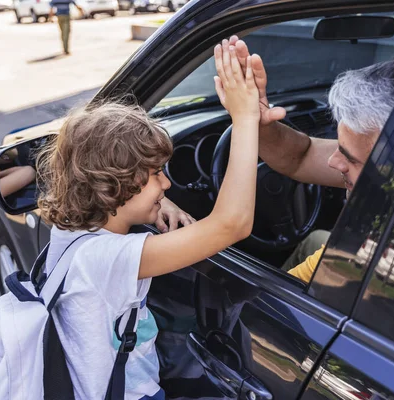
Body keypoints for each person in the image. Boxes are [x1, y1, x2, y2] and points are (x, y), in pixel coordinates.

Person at [35, 45, 260, 399]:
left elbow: (119, 194)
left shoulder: (72, 231)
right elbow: (232, 224)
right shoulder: (109, 259)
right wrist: (245, 117)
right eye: (156, 174)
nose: (166, 183)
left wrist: (157, 203)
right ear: (114, 185)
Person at [219, 36, 394, 283]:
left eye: (351, 159)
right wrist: (259, 123)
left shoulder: (369, 252)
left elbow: (261, 308)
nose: (333, 162)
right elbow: (301, 157)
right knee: (313, 239)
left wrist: (243, 122)